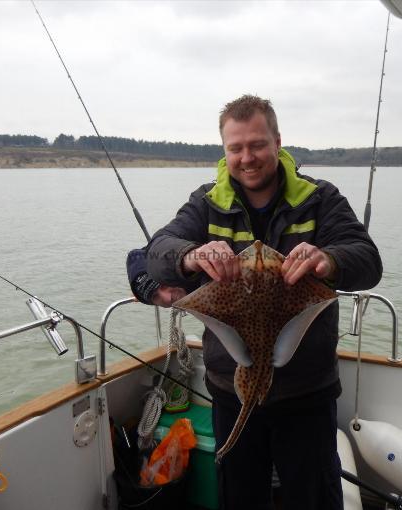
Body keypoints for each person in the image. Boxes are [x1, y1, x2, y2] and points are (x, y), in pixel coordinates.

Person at [145, 95, 382, 510]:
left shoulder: (320, 198)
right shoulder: (205, 203)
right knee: (239, 496)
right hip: (228, 386)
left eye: (257, 144)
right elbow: (158, 250)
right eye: (235, 148)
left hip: (307, 390)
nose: (247, 157)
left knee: (314, 496)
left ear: (277, 141)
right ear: (225, 150)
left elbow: (367, 259)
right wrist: (191, 255)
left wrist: (329, 259)